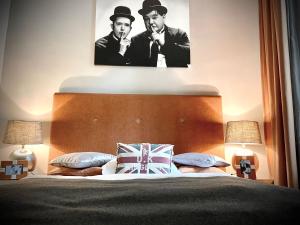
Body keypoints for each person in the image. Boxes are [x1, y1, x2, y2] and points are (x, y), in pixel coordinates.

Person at [128, 0, 190, 67]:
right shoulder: (136, 40)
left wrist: (164, 44)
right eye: (146, 18)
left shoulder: (179, 34)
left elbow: (190, 57)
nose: (151, 22)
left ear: (163, 17)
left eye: (154, 17)